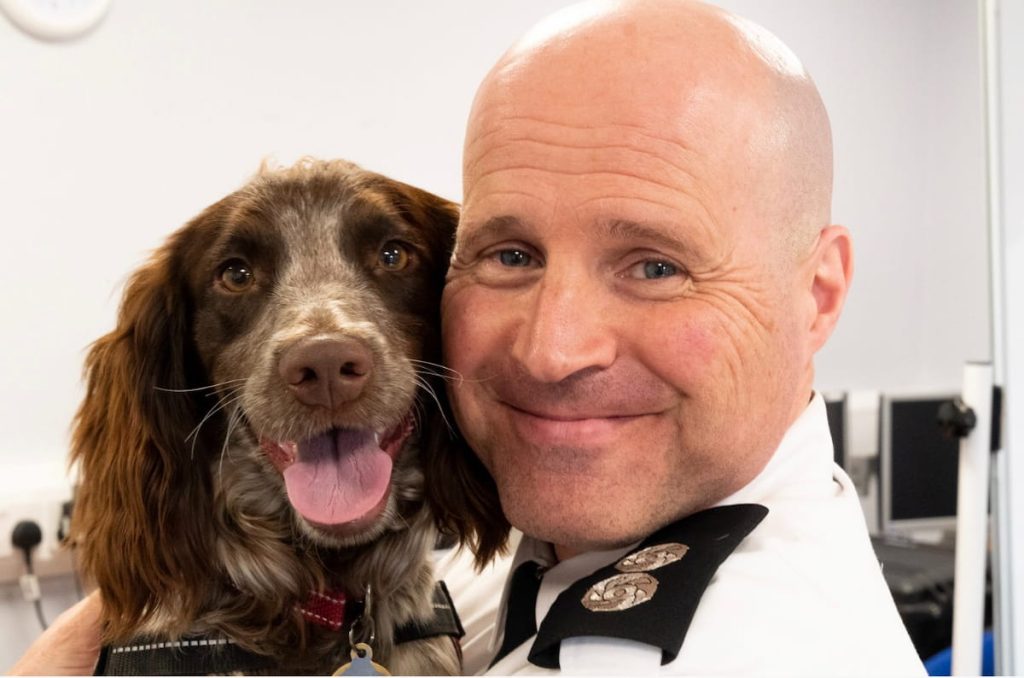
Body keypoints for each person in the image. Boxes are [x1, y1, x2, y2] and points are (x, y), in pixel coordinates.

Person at [10, 0, 926, 675]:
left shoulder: (725, 645)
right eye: (513, 254)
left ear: (817, 292)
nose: (550, 349)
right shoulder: (560, 553)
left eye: (654, 265)